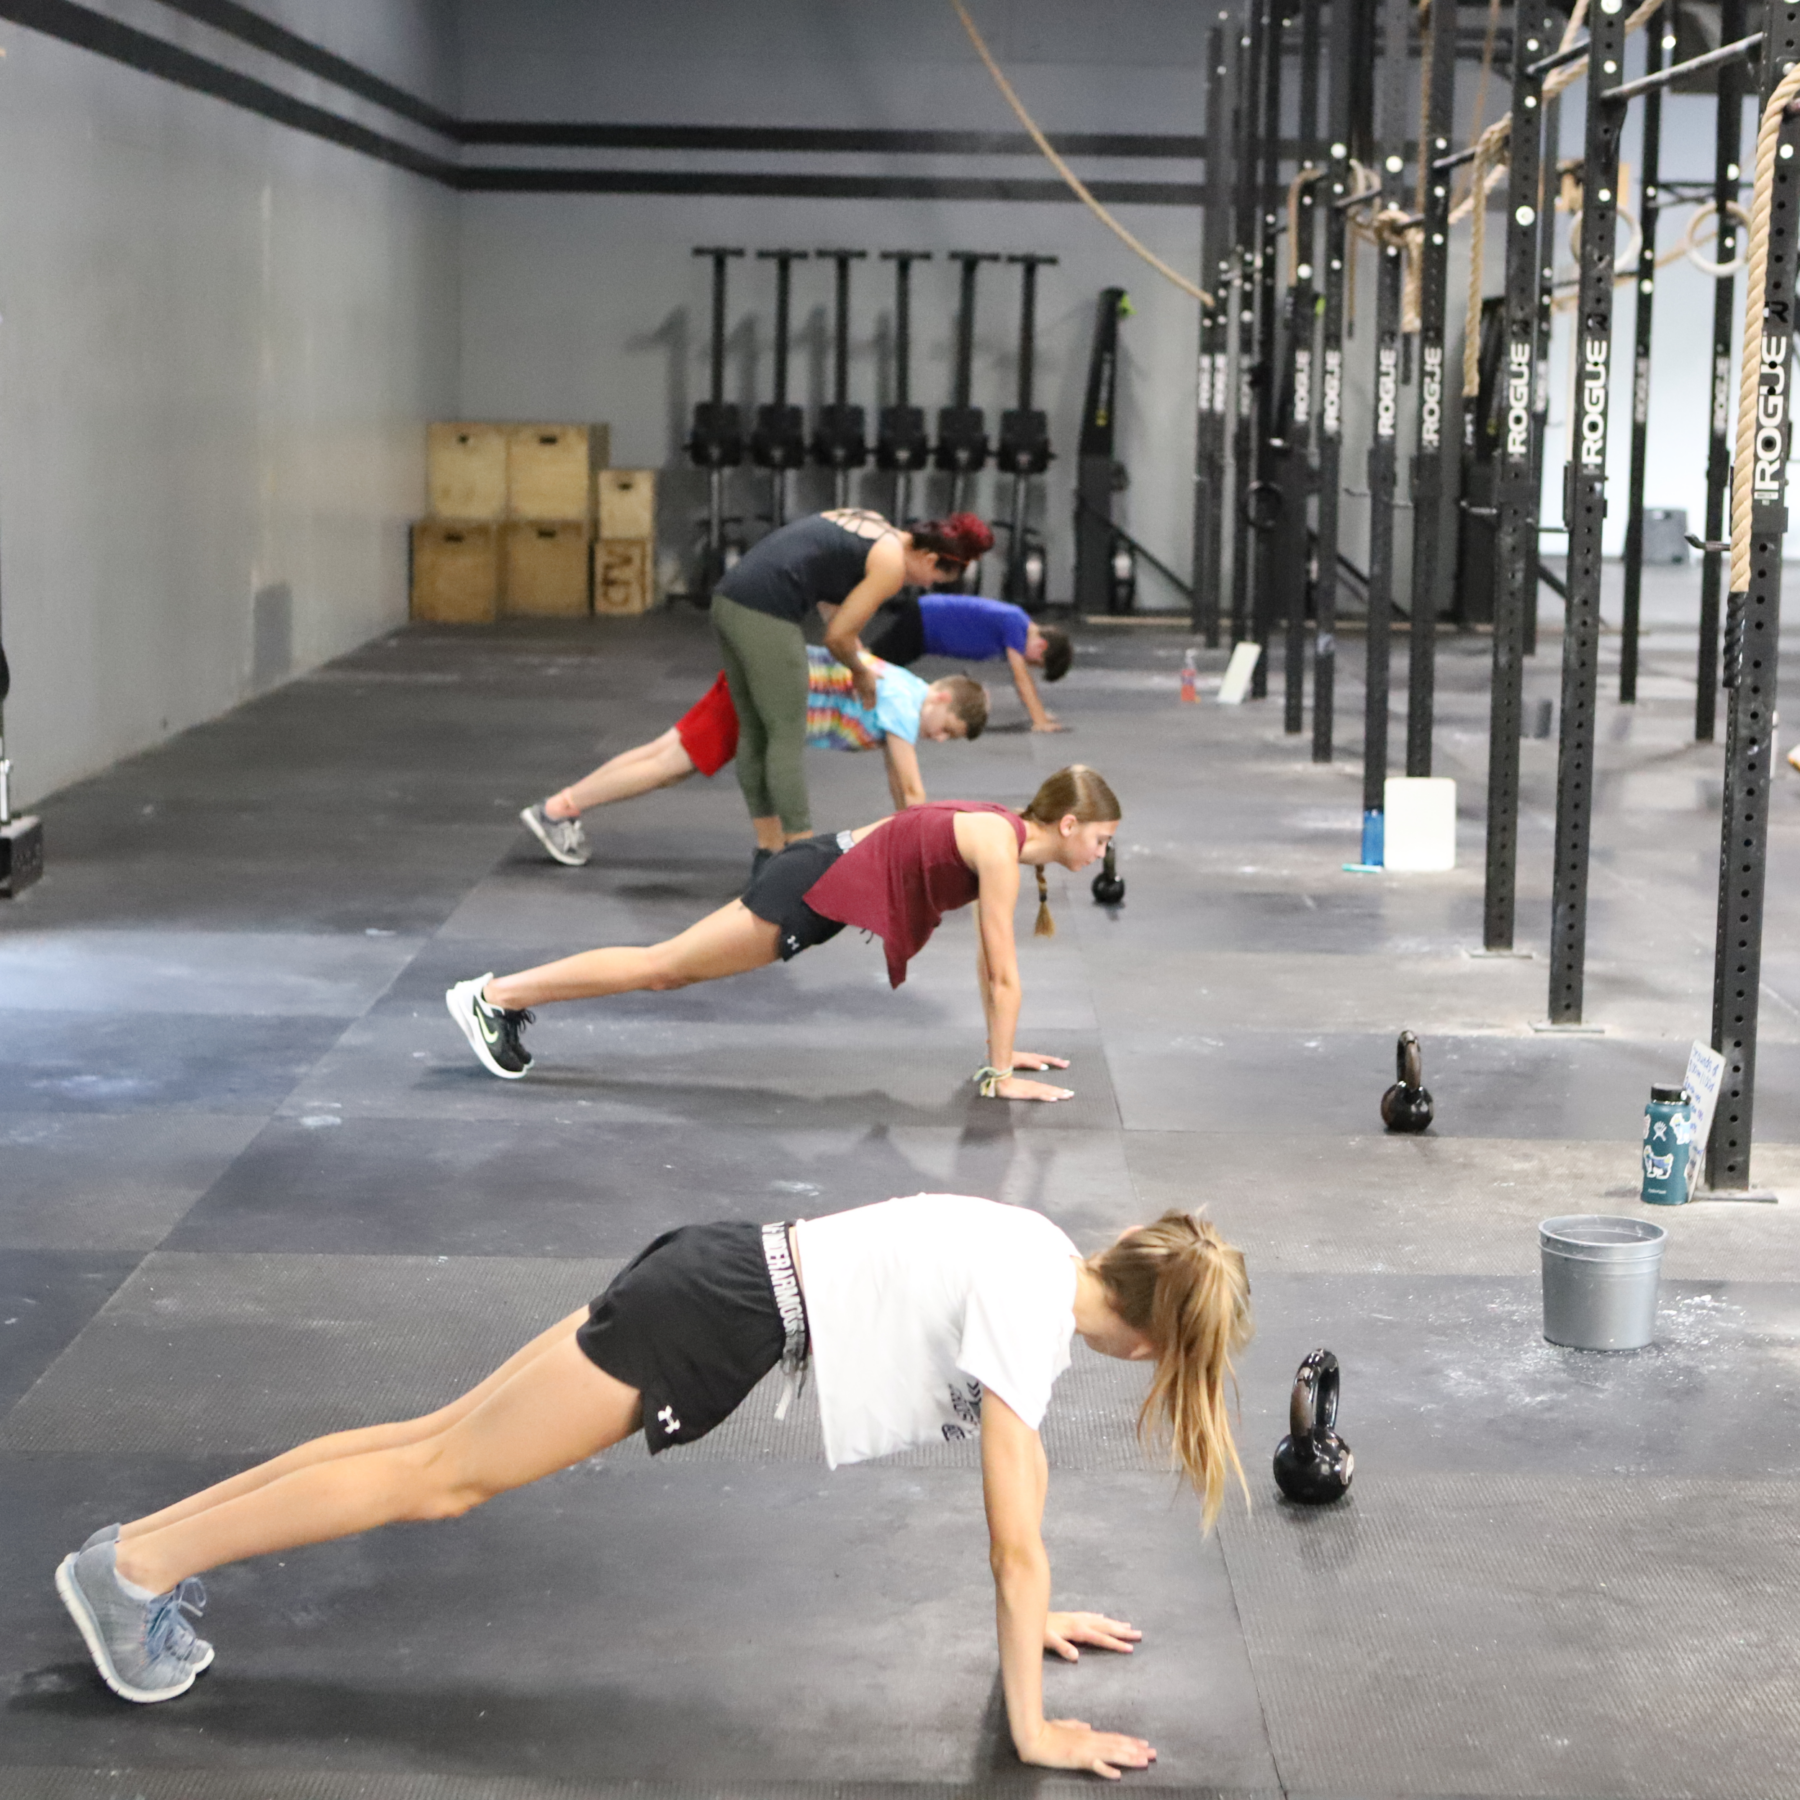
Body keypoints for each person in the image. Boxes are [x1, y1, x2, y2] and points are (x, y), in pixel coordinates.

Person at [54, 1191, 1252, 1782]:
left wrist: (1037, 1619)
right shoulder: (1033, 1306)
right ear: (1156, 1345)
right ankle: (140, 1572)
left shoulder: (1045, 1252)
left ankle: (135, 1551)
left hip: (720, 1267)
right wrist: (1033, 1730)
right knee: (437, 1480)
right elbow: (1013, 1538)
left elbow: (1021, 1502)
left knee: (428, 1445)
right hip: (713, 1314)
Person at [445, 766, 1120, 1099]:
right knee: (665, 966)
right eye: (1101, 838)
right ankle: (495, 996)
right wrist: (999, 1074)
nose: (1101, 852)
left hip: (815, 878)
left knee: (666, 965)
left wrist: (1002, 1054)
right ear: (1068, 825)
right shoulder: (1000, 849)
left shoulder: (1001, 832)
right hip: (808, 885)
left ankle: (499, 996)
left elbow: (989, 966)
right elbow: (1000, 970)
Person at [518, 649, 990, 868]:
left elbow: (899, 780)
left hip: (765, 672)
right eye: (947, 731)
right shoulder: (906, 706)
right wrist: (925, 856)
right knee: (667, 766)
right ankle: (556, 810)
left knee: (664, 753)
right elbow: (908, 789)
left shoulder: (903, 682)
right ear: (942, 700)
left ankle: (562, 805)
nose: (940, 740)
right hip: (768, 691)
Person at [709, 508, 994, 858]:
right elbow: (837, 638)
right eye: (933, 578)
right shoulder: (891, 565)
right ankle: (798, 860)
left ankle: (768, 851)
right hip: (766, 611)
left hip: (729, 598)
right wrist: (861, 673)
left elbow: (825, 580)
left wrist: (853, 648)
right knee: (784, 735)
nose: (925, 586)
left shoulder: (875, 524)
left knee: (755, 734)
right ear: (929, 557)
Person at [854, 591, 1073, 734]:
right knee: (872, 663)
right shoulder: (1016, 624)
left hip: (926, 626)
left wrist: (1040, 715)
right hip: (925, 620)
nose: (1029, 664)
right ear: (1042, 646)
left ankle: (844, 679)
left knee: (876, 663)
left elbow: (1022, 678)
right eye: (1037, 663)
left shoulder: (1017, 622)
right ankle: (839, 681)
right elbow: (1021, 678)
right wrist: (1039, 720)